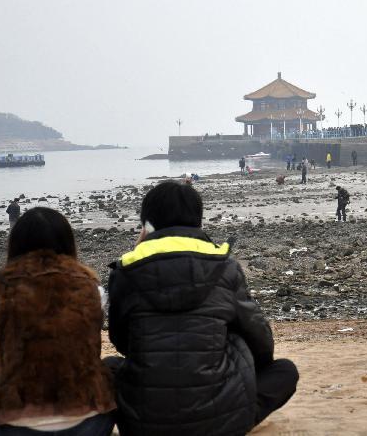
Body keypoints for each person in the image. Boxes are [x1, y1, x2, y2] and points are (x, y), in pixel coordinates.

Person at [107, 182, 298, 436]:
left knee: (108, 367)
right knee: (284, 370)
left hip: (143, 425)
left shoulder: (125, 273)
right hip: (222, 422)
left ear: (146, 226)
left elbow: (121, 341)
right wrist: (247, 366)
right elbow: (260, 339)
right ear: (198, 221)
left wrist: (138, 251)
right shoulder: (224, 267)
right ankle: (236, 416)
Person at [0, 208, 116, 436]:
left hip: (12, 425)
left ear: (14, 246)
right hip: (87, 422)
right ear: (68, 244)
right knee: (110, 369)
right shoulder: (92, 290)